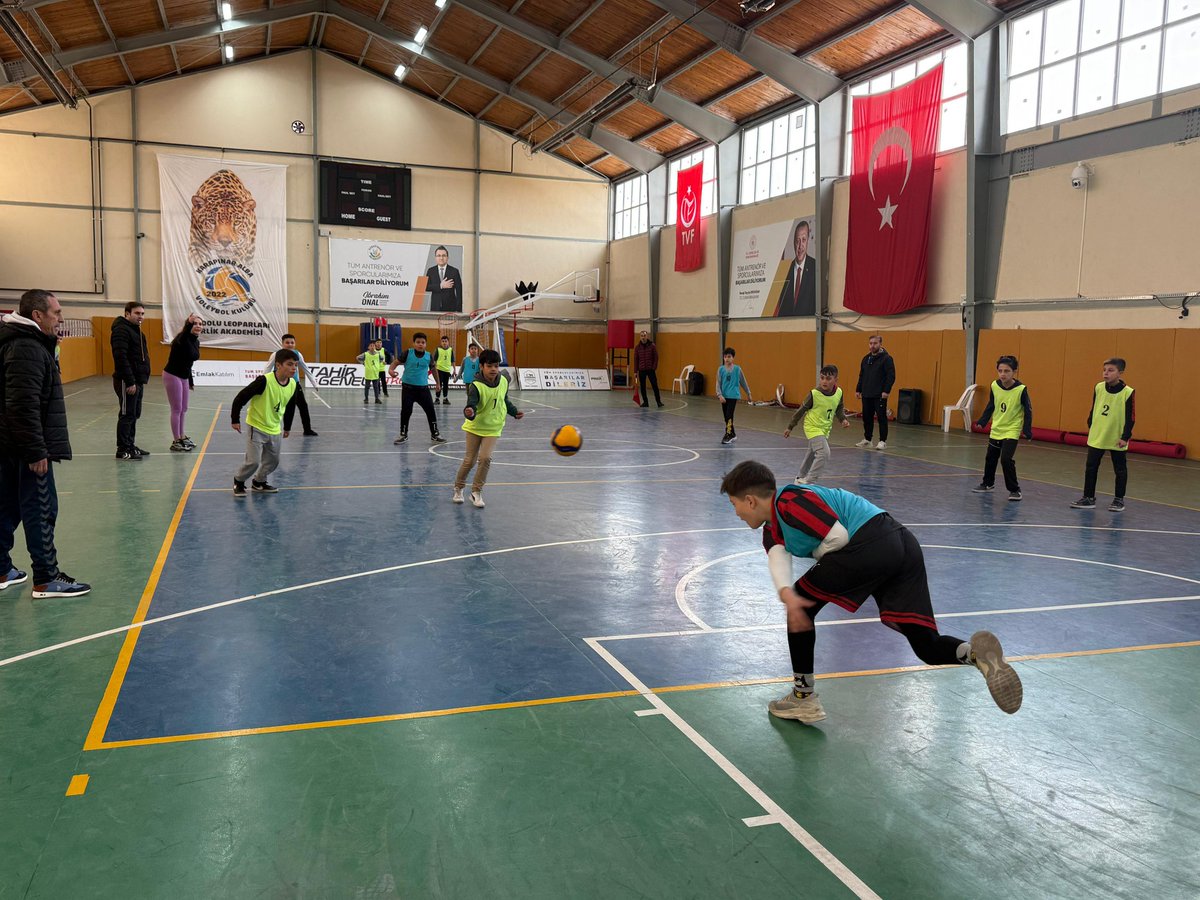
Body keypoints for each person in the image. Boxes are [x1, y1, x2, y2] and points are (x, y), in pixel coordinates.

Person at [720, 460, 1022, 723]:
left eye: (734, 505)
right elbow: (778, 558)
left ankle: (803, 697)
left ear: (750, 500)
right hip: (903, 545)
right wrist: (787, 592)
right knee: (925, 644)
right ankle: (976, 655)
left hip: (873, 541)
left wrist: (796, 598)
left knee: (801, 605)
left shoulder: (789, 502)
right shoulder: (772, 529)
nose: (736, 513)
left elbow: (837, 537)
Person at [0, 289, 90, 597]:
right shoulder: (25, 347)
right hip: (26, 447)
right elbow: (23, 404)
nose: (61, 318)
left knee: (7, 507)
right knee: (41, 508)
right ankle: (46, 577)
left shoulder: (23, 343)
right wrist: (37, 450)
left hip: (10, 444)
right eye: (56, 313)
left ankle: (1, 569)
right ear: (37, 315)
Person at [452, 348, 524, 508]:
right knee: (469, 461)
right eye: (489, 366)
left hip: (494, 427)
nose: (493, 369)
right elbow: (470, 406)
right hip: (475, 427)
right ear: (482, 367)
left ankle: (476, 492)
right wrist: (469, 412)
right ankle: (458, 487)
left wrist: (514, 412)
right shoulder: (475, 386)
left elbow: (504, 400)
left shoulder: (504, 381)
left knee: (485, 458)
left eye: (496, 366)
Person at [230, 348, 300, 497]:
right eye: (290, 364)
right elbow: (240, 397)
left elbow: (290, 407)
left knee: (273, 461)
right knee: (253, 462)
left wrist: (287, 427)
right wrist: (235, 419)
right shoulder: (264, 381)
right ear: (278, 365)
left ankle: (259, 482)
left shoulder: (293, 384)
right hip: (257, 426)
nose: (294, 368)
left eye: (295, 365)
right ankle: (239, 481)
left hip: (275, 428)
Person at [1072, 358, 1135, 512]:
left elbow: (1131, 417)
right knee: (1091, 467)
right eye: (1104, 369)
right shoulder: (1099, 387)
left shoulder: (1128, 392)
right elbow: (1094, 407)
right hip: (1098, 435)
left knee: (1120, 469)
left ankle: (1119, 500)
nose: (1106, 373)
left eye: (1111, 370)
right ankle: (1088, 497)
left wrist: (1125, 437)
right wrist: (1091, 424)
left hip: (1116, 437)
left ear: (1120, 373)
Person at [972, 355, 1033, 502]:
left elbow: (1028, 410)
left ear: (1014, 372)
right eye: (1000, 371)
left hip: (1012, 429)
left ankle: (1015, 490)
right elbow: (992, 404)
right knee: (990, 457)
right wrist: (983, 420)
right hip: (997, 427)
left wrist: (1027, 429)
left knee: (1006, 459)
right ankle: (988, 483)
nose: (1003, 374)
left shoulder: (1021, 389)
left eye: (1007, 371)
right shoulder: (994, 385)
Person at [783, 364, 849, 484]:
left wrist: (842, 419)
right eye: (822, 378)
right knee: (824, 453)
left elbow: (839, 407)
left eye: (828, 379)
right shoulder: (814, 394)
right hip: (812, 427)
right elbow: (800, 411)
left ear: (836, 380)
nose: (824, 381)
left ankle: (799, 478)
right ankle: (809, 481)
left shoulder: (839, 392)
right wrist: (790, 427)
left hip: (825, 429)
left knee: (812, 453)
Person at [387, 332, 447, 446]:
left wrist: (438, 383)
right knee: (406, 412)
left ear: (426, 344)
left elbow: (434, 370)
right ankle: (403, 435)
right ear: (414, 343)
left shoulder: (429, 356)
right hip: (408, 389)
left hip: (423, 390)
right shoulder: (407, 353)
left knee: (431, 411)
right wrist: (390, 370)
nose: (420, 344)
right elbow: (395, 362)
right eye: (418, 342)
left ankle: (435, 434)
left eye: (423, 342)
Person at [111, 301, 151, 460]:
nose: (140, 316)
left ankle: (130, 445)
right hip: (127, 380)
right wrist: (130, 381)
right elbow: (120, 357)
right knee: (127, 414)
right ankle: (122, 449)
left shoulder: (138, 332)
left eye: (142, 314)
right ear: (127, 314)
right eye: (137, 313)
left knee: (134, 414)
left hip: (138, 380)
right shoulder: (121, 330)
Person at [265, 333, 319, 436]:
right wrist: (263, 382)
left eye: (292, 342)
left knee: (303, 406)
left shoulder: (298, 354)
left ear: (295, 343)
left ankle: (307, 430)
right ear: (282, 344)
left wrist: (314, 383)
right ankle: (276, 428)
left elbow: (305, 368)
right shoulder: (276, 355)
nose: (290, 344)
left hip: (295, 385)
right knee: (280, 407)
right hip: (280, 385)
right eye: (287, 342)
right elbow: (268, 368)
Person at [163, 314, 202, 452]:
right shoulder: (181, 339)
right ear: (188, 326)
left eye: (200, 324)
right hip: (172, 375)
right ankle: (176, 440)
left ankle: (182, 436)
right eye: (195, 323)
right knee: (176, 408)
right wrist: (188, 324)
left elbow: (189, 363)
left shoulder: (195, 341)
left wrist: (190, 380)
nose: (198, 326)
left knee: (184, 408)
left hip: (184, 376)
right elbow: (186, 338)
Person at [855, 333, 895, 451]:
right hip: (867, 393)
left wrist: (886, 390)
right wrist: (858, 389)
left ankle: (882, 441)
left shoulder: (887, 359)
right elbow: (861, 375)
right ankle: (868, 440)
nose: (872, 346)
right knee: (867, 417)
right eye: (870, 343)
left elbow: (891, 376)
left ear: (880, 344)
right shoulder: (865, 359)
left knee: (881, 417)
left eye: (875, 343)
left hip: (879, 394)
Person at [775, 220, 816, 318]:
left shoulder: (815, 268)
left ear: (807, 242)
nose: (800, 245)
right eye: (797, 241)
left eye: (804, 240)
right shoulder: (785, 271)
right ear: (794, 243)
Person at [717, 347, 751, 446]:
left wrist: (748, 393)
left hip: (733, 396)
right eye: (725, 357)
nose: (727, 359)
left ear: (733, 358)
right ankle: (733, 434)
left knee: (729, 415)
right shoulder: (721, 369)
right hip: (724, 396)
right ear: (723, 358)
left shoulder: (737, 369)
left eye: (729, 357)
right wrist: (719, 395)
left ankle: (728, 434)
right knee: (726, 417)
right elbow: (718, 383)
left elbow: (743, 382)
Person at [425, 246, 462, 313]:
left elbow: (459, 292)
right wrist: (440, 286)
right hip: (435, 308)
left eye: (444, 255)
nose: (441, 258)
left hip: (451, 309)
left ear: (447, 257)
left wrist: (458, 310)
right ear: (435, 258)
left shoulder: (454, 271)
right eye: (438, 255)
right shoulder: (430, 271)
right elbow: (426, 287)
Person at [634, 330, 664, 408]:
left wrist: (654, 367)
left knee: (655, 386)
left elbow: (656, 357)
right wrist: (635, 371)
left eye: (644, 336)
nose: (643, 337)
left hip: (651, 370)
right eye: (641, 336)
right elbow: (636, 360)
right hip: (641, 370)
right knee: (643, 387)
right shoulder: (637, 348)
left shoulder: (652, 346)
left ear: (647, 336)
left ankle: (658, 402)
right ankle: (645, 402)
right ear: (640, 337)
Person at [357, 339, 385, 405]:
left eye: (373, 346)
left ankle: (376, 399)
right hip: (368, 373)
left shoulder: (378, 354)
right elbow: (357, 357)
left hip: (375, 373)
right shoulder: (366, 354)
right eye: (371, 346)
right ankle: (366, 399)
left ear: (375, 347)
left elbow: (382, 358)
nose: (372, 347)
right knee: (367, 387)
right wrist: (363, 363)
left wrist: (380, 363)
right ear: (368, 347)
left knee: (376, 387)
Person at [433, 334, 454, 405]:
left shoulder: (451, 350)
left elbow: (452, 360)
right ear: (441, 342)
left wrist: (454, 370)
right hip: (439, 369)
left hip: (447, 370)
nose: (444, 342)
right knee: (439, 384)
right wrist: (434, 368)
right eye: (443, 341)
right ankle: (437, 398)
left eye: (446, 341)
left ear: (448, 342)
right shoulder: (438, 349)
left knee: (446, 385)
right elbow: (434, 360)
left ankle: (445, 398)